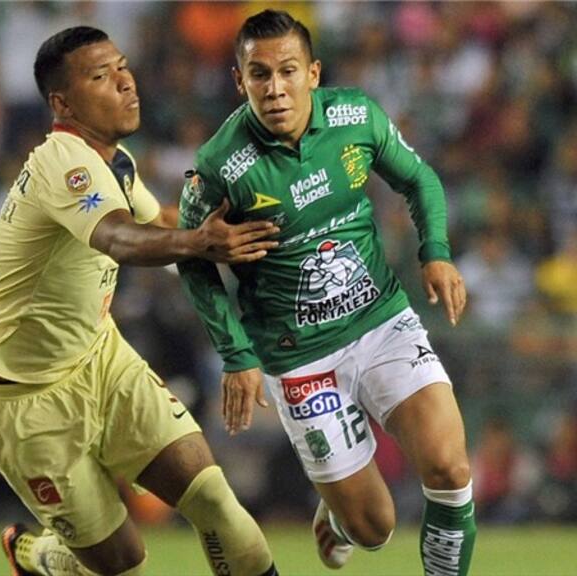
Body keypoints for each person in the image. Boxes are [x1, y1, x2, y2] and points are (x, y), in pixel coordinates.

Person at [0, 26, 280, 576]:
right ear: (63, 102)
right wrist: (201, 242)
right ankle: (34, 554)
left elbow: (157, 221)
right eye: (100, 76)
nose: (125, 81)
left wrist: (253, 224)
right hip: (25, 403)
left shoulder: (114, 159)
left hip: (100, 360)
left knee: (214, 501)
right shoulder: (64, 162)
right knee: (121, 565)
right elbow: (118, 238)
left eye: (123, 67)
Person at [178, 10, 476, 575]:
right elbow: (192, 261)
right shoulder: (219, 166)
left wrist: (434, 250)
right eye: (258, 74)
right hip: (298, 356)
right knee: (374, 529)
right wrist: (237, 354)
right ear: (239, 81)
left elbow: (418, 178)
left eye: (287, 71)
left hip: (382, 321)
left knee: (450, 470)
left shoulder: (355, 115)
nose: (275, 88)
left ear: (312, 73)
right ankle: (337, 516)